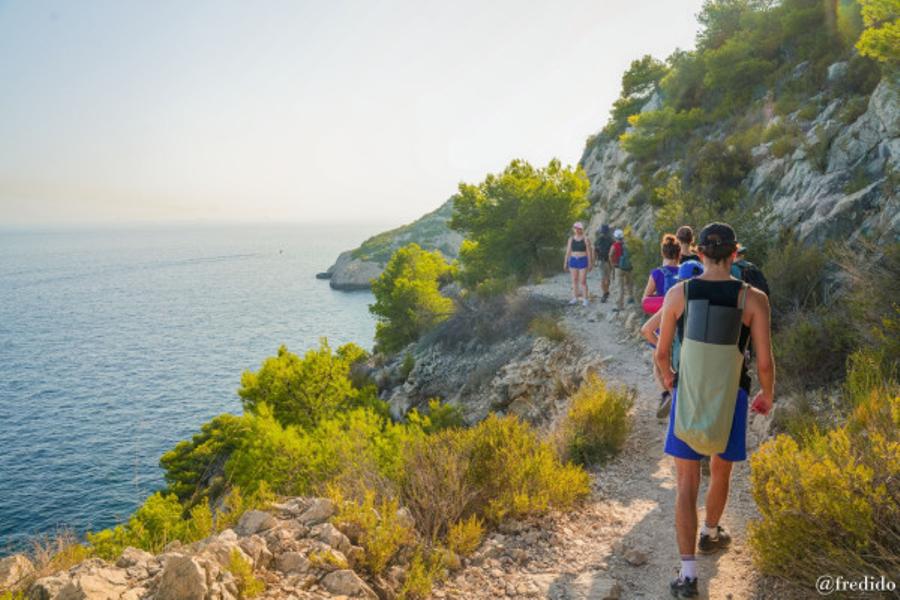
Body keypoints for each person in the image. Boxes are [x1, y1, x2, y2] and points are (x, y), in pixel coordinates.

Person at [654, 223, 774, 598]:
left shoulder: (679, 292)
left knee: (686, 484)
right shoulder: (753, 299)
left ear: (700, 253)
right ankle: (711, 533)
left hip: (689, 395)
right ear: (735, 254)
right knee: (721, 471)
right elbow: (765, 361)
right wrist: (767, 396)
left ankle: (688, 575)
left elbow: (661, 353)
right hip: (732, 396)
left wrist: (670, 379)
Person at [641, 234, 682, 315]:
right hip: (683, 321)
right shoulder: (685, 272)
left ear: (663, 253)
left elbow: (644, 301)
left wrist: (658, 296)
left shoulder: (656, 273)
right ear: (679, 253)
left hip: (662, 320)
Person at [563, 222, 593, 306]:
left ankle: (585, 299)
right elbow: (568, 251)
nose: (576, 229)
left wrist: (590, 263)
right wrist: (565, 262)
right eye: (575, 228)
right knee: (574, 280)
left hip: (582, 260)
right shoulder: (571, 239)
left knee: (583, 281)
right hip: (573, 260)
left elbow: (589, 252)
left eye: (578, 228)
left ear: (581, 229)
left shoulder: (586, 239)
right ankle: (574, 298)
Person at [609, 229, 634, 312]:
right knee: (629, 284)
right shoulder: (627, 245)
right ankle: (631, 299)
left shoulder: (614, 246)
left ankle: (620, 305)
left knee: (620, 287)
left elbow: (610, 255)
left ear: (615, 237)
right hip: (628, 268)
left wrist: (613, 264)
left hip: (618, 268)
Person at [594, 224, 615, 303]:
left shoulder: (598, 240)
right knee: (605, 279)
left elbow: (595, 251)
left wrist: (594, 261)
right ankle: (605, 293)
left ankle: (605, 293)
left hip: (603, 261)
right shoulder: (611, 240)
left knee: (605, 279)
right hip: (607, 262)